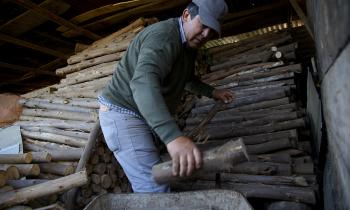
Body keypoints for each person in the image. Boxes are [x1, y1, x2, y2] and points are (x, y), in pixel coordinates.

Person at [98, 0, 234, 193]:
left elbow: (187, 79)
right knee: (153, 188)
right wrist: (173, 137)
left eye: (211, 31)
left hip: (139, 113)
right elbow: (142, 83)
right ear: (186, 15)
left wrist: (213, 92)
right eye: (203, 26)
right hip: (124, 113)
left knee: (156, 179)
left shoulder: (187, 46)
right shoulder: (163, 37)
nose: (206, 35)